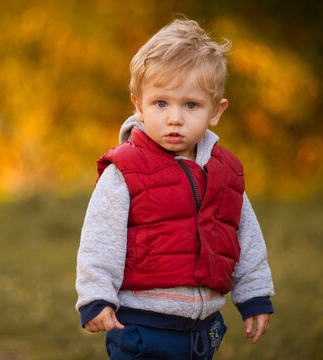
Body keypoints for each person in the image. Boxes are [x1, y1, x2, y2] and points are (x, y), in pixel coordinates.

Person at [75, 18, 274, 359]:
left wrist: (254, 294)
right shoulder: (125, 170)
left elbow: (244, 236)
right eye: (161, 103)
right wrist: (96, 295)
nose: (175, 118)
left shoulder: (225, 172)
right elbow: (100, 237)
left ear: (216, 110)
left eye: (191, 105)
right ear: (139, 105)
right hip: (142, 324)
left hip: (203, 329)